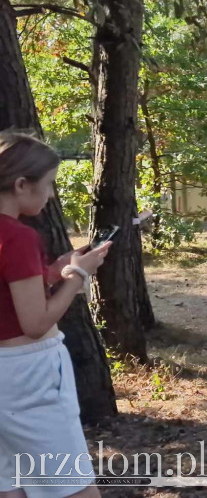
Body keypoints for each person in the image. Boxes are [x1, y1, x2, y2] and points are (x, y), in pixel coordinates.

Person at [0, 131, 110, 498]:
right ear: (20, 184)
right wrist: (78, 276)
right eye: (47, 186)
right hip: (28, 376)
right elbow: (35, 324)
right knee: (75, 488)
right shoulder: (17, 237)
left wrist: (48, 274)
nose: (49, 196)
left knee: (11, 484)